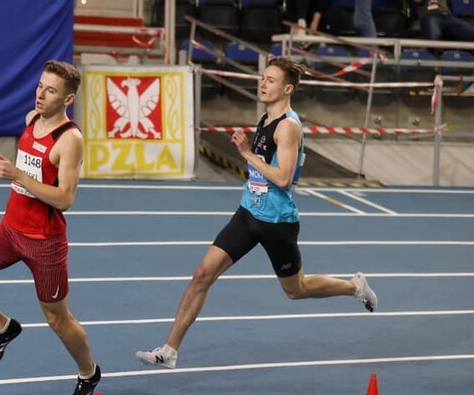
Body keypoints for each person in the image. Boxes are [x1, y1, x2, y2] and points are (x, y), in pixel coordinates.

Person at [136, 57, 378, 370]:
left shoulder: (288, 127)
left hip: (276, 223)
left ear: (287, 88)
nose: (263, 84)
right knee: (201, 275)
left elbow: (284, 178)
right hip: (248, 213)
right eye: (262, 78)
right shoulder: (265, 117)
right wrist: (251, 161)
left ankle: (354, 287)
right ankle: (169, 350)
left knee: (296, 290)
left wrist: (247, 154)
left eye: (271, 80)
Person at [0, 60, 101, 395]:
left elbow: (66, 199)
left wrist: (17, 174)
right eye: (40, 86)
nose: (41, 94)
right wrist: (19, 176)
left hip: (45, 243)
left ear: (68, 98)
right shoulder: (31, 120)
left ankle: (88, 373)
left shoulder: (70, 139)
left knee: (58, 319)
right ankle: (3, 327)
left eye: (51, 90)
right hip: (10, 230)